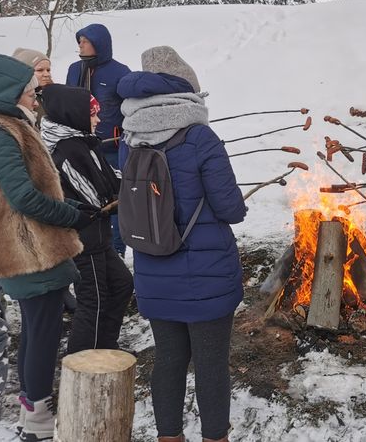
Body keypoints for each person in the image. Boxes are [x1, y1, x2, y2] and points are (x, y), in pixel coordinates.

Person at [0, 54, 94, 441]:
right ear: (8, 92)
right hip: (27, 251)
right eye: (31, 92)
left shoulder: (1, 125)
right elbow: (23, 198)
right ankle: (38, 422)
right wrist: (70, 214)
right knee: (44, 333)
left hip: (28, 248)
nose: (36, 98)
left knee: (37, 329)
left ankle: (30, 412)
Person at [118, 46, 246, 442]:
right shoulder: (199, 137)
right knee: (210, 364)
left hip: (154, 269)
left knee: (169, 360)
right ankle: (214, 437)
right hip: (207, 275)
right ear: (185, 90)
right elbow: (230, 207)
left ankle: (168, 436)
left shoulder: (130, 138)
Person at [38, 84, 134, 354]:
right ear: (75, 114)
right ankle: (81, 363)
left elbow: (109, 177)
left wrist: (132, 183)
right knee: (94, 300)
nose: (98, 119)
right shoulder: (66, 151)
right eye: (93, 113)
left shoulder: (84, 142)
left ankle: (106, 347)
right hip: (82, 239)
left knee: (123, 284)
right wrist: (123, 196)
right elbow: (95, 200)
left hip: (98, 237)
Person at [66, 23, 132, 257]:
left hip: (111, 146)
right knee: (88, 197)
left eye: (85, 41)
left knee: (116, 198)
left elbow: (130, 107)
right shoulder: (75, 69)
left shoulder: (120, 72)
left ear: (99, 44)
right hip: (82, 146)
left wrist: (121, 134)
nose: (80, 45)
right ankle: (95, 247)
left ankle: (118, 249)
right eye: (79, 41)